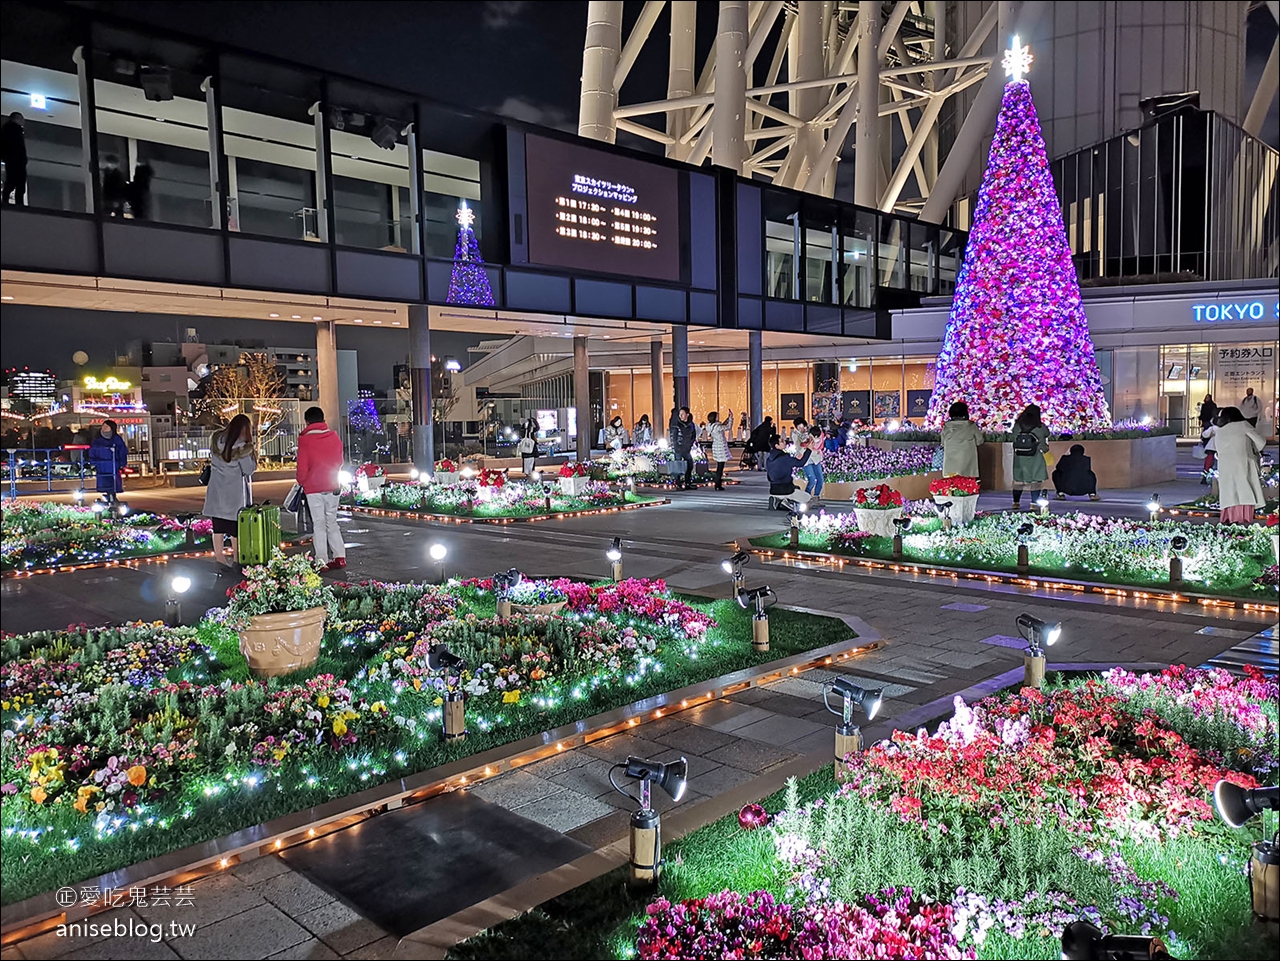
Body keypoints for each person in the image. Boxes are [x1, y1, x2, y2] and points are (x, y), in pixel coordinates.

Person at [202, 414, 255, 570]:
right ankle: (237, 559)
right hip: (234, 494)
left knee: (218, 527)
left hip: (217, 491)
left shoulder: (217, 440)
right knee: (235, 529)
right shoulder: (242, 447)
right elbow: (248, 469)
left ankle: (220, 559)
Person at [297, 406, 346, 571]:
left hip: (313, 488)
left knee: (318, 524)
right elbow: (339, 462)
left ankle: (322, 561)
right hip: (333, 486)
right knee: (332, 521)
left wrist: (301, 481)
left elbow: (302, 469)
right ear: (323, 420)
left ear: (307, 421)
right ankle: (339, 557)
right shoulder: (334, 437)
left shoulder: (305, 441)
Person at [1213, 407, 1266, 524]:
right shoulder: (1243, 425)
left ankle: (1229, 518)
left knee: (1229, 492)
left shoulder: (1220, 430)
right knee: (1244, 490)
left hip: (1225, 465)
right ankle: (1243, 517)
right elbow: (1261, 442)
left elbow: (1216, 449)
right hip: (1243, 463)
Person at [1010, 403, 1050, 509]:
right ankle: (1033, 503)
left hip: (1019, 458)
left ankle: (1016, 502)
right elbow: (1047, 434)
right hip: (1035, 457)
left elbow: (1013, 438)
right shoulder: (1040, 426)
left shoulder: (1017, 426)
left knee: (1018, 480)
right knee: (1036, 480)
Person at [87, 419, 129, 505]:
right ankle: (106, 496)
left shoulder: (116, 439)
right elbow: (92, 450)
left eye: (107, 426)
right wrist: (92, 461)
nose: (104, 428)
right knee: (103, 481)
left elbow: (122, 451)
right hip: (101, 464)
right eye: (103, 426)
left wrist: (122, 462)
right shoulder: (97, 440)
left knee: (113, 481)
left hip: (113, 464)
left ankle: (112, 496)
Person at [765, 435, 812, 510]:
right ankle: (785, 501)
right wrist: (809, 450)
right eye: (782, 441)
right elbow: (800, 463)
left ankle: (777, 499)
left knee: (796, 488)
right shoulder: (785, 457)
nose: (784, 442)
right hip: (786, 489)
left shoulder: (768, 459)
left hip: (773, 489)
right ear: (777, 446)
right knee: (807, 498)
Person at [940, 401, 983, 479]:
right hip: (968, 463)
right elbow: (980, 441)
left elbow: (943, 443)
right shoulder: (971, 426)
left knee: (951, 484)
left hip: (950, 462)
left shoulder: (946, 427)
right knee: (968, 484)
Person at [1, 112, 27, 206]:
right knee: (18, 183)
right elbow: (17, 147)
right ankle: (18, 204)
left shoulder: (7, 130)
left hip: (12, 160)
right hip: (16, 161)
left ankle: (6, 201)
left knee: (12, 182)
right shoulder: (15, 131)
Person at [668, 406, 698, 489]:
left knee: (690, 465)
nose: (681, 416)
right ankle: (678, 483)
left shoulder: (691, 424)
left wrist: (690, 445)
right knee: (678, 465)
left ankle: (687, 482)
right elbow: (673, 437)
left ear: (687, 415)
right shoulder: (676, 424)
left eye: (683, 414)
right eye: (680, 414)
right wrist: (676, 446)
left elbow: (693, 435)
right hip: (678, 448)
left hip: (687, 448)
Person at [706, 409, 733, 491]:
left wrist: (727, 419)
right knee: (720, 467)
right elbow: (728, 427)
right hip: (721, 446)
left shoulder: (709, 426)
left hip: (716, 446)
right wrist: (731, 418)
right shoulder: (717, 426)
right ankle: (718, 484)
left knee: (719, 465)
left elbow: (722, 425)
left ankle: (718, 483)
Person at [802, 425, 826, 500]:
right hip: (807, 459)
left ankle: (816, 497)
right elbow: (802, 446)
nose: (816, 438)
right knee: (812, 479)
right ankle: (806, 497)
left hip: (816, 459)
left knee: (820, 479)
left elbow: (820, 446)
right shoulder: (805, 437)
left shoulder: (821, 436)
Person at [1200, 417, 1218, 485]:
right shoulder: (1225, 428)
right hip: (1221, 448)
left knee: (1208, 464)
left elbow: (1205, 435)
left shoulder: (1213, 428)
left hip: (1211, 448)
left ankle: (1205, 478)